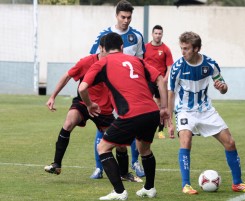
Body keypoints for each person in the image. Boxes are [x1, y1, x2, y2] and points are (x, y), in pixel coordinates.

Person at [79, 32, 169, 200]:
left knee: (103, 148)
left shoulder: (102, 62)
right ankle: (149, 188)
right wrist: (164, 108)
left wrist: (90, 105)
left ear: (102, 48)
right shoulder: (138, 60)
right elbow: (161, 79)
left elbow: (82, 88)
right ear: (122, 47)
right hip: (151, 112)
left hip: (131, 114)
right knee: (144, 149)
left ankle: (119, 192)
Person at [167, 31, 245, 195]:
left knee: (230, 142)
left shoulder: (210, 64)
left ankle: (237, 183)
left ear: (196, 48)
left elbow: (222, 85)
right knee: (186, 140)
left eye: (186, 48)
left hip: (206, 110)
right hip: (185, 110)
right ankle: (186, 185)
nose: (183, 52)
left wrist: (223, 87)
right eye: (181, 48)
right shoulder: (177, 67)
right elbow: (171, 92)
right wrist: (170, 120)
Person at [89, 0, 145, 179]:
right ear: (117, 15)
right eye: (123, 17)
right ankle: (99, 167)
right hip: (108, 89)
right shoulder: (104, 35)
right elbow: (94, 58)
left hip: (130, 91)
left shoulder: (136, 36)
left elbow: (141, 64)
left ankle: (135, 162)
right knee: (102, 126)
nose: (126, 20)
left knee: (135, 126)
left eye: (129, 17)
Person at [44, 36, 114, 177]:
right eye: (108, 51)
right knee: (69, 122)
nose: (111, 54)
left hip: (103, 108)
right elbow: (67, 76)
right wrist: (53, 96)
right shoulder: (87, 62)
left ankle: (124, 173)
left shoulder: (115, 64)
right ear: (101, 48)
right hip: (83, 102)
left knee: (118, 141)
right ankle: (56, 165)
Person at [144, 25, 174, 139]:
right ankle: (145, 127)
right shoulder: (145, 47)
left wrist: (165, 79)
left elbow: (169, 66)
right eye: (155, 33)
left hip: (160, 81)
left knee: (162, 107)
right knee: (146, 103)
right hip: (148, 80)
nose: (157, 35)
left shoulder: (165, 49)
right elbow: (140, 63)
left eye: (159, 33)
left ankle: (161, 131)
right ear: (152, 34)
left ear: (162, 34)